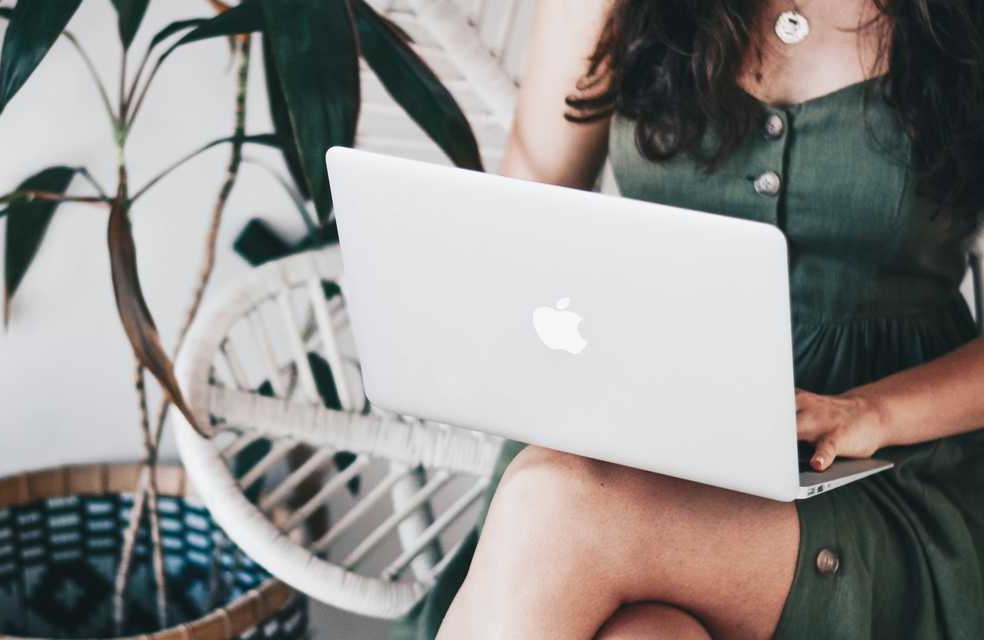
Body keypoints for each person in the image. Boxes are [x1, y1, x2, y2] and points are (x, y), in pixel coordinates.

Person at [393, 1, 984, 638]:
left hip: (893, 464)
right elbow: (525, 216)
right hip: (646, 432)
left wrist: (873, 412)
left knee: (558, 500)